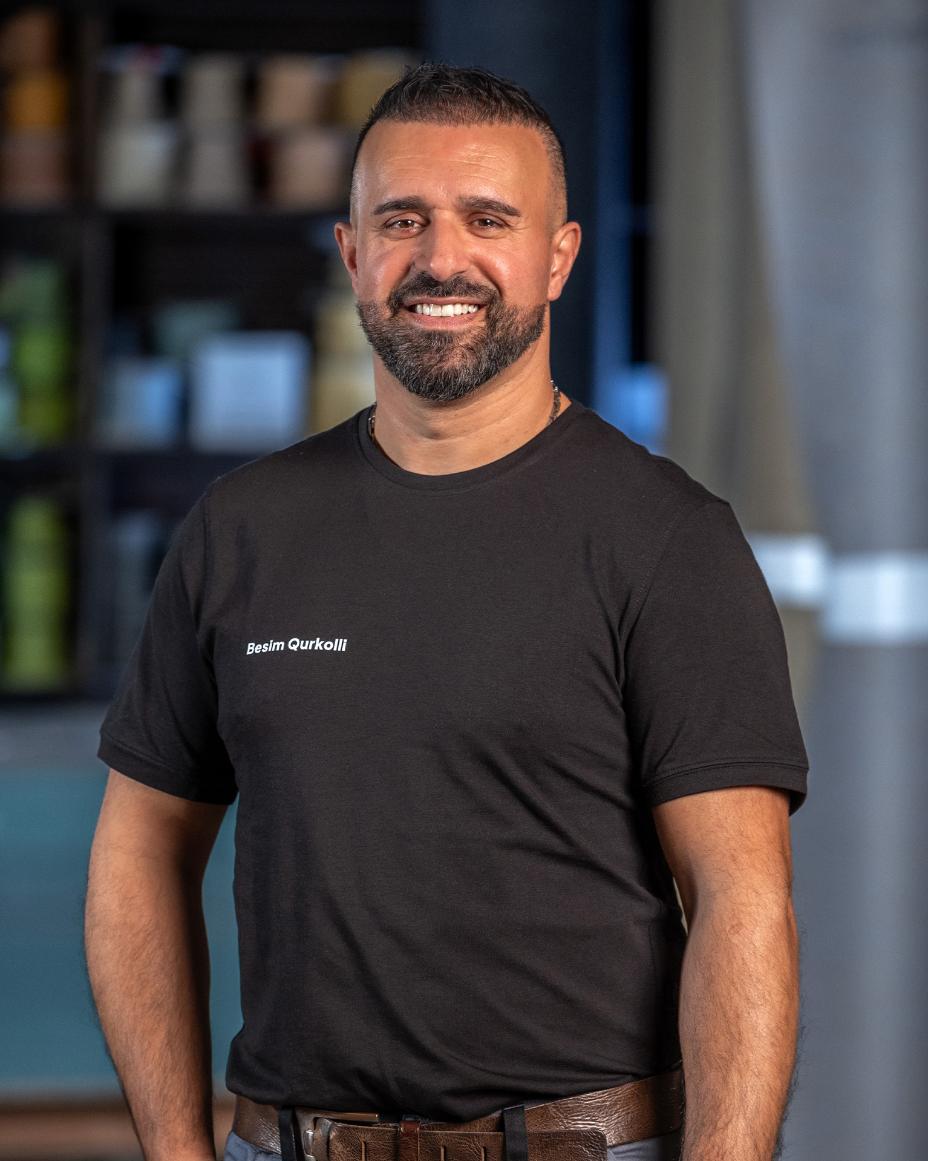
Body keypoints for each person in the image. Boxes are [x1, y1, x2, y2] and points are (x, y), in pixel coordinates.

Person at [85, 64, 809, 1161]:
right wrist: (177, 1150)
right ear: (352, 253)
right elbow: (139, 848)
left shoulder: (667, 540)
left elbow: (740, 902)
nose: (440, 259)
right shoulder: (241, 527)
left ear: (557, 256)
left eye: (488, 219)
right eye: (402, 220)